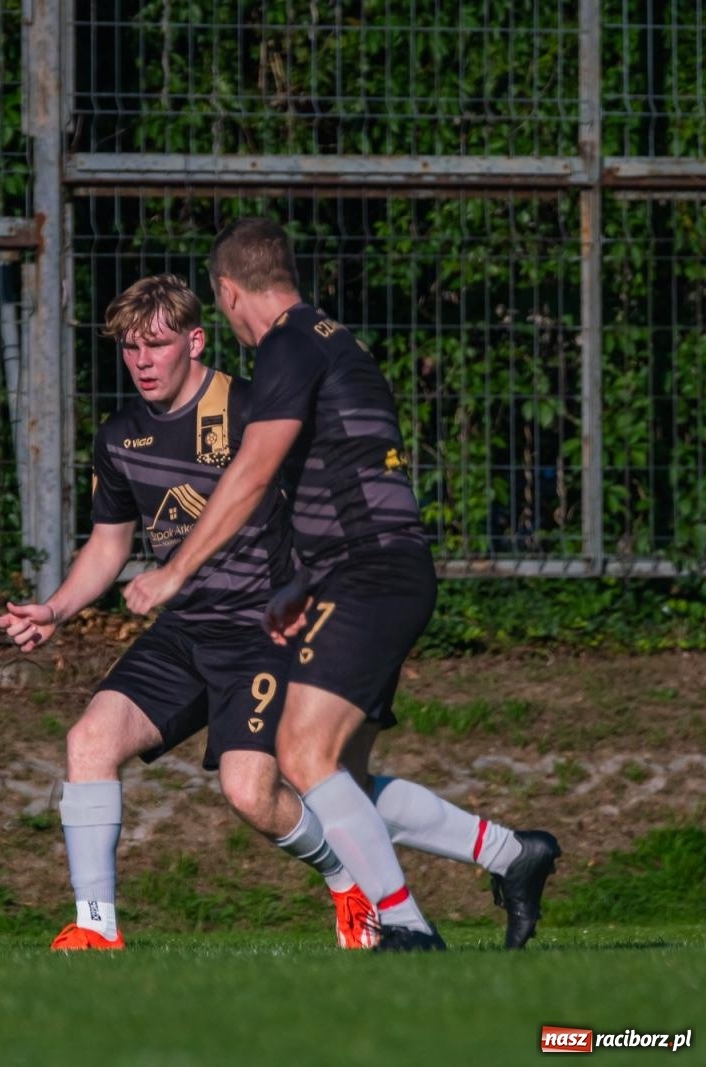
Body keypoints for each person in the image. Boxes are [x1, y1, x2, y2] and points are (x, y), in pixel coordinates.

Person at [123, 219, 560, 950]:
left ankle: (407, 930)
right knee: (340, 779)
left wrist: (173, 568)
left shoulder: (286, 346)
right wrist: (301, 583)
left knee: (300, 752)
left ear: (228, 292)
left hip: (372, 573)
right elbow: (342, 469)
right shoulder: (334, 337)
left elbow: (254, 471)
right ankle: (513, 854)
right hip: (370, 571)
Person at [1, 275, 377, 951]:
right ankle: (96, 929)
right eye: (128, 348)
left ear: (196, 340)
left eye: (156, 344)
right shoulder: (120, 437)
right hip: (185, 631)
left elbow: (321, 492)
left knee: (250, 793)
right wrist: (56, 608)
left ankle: (350, 878)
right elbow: (110, 544)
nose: (141, 361)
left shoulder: (252, 407)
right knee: (89, 740)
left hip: (264, 631)